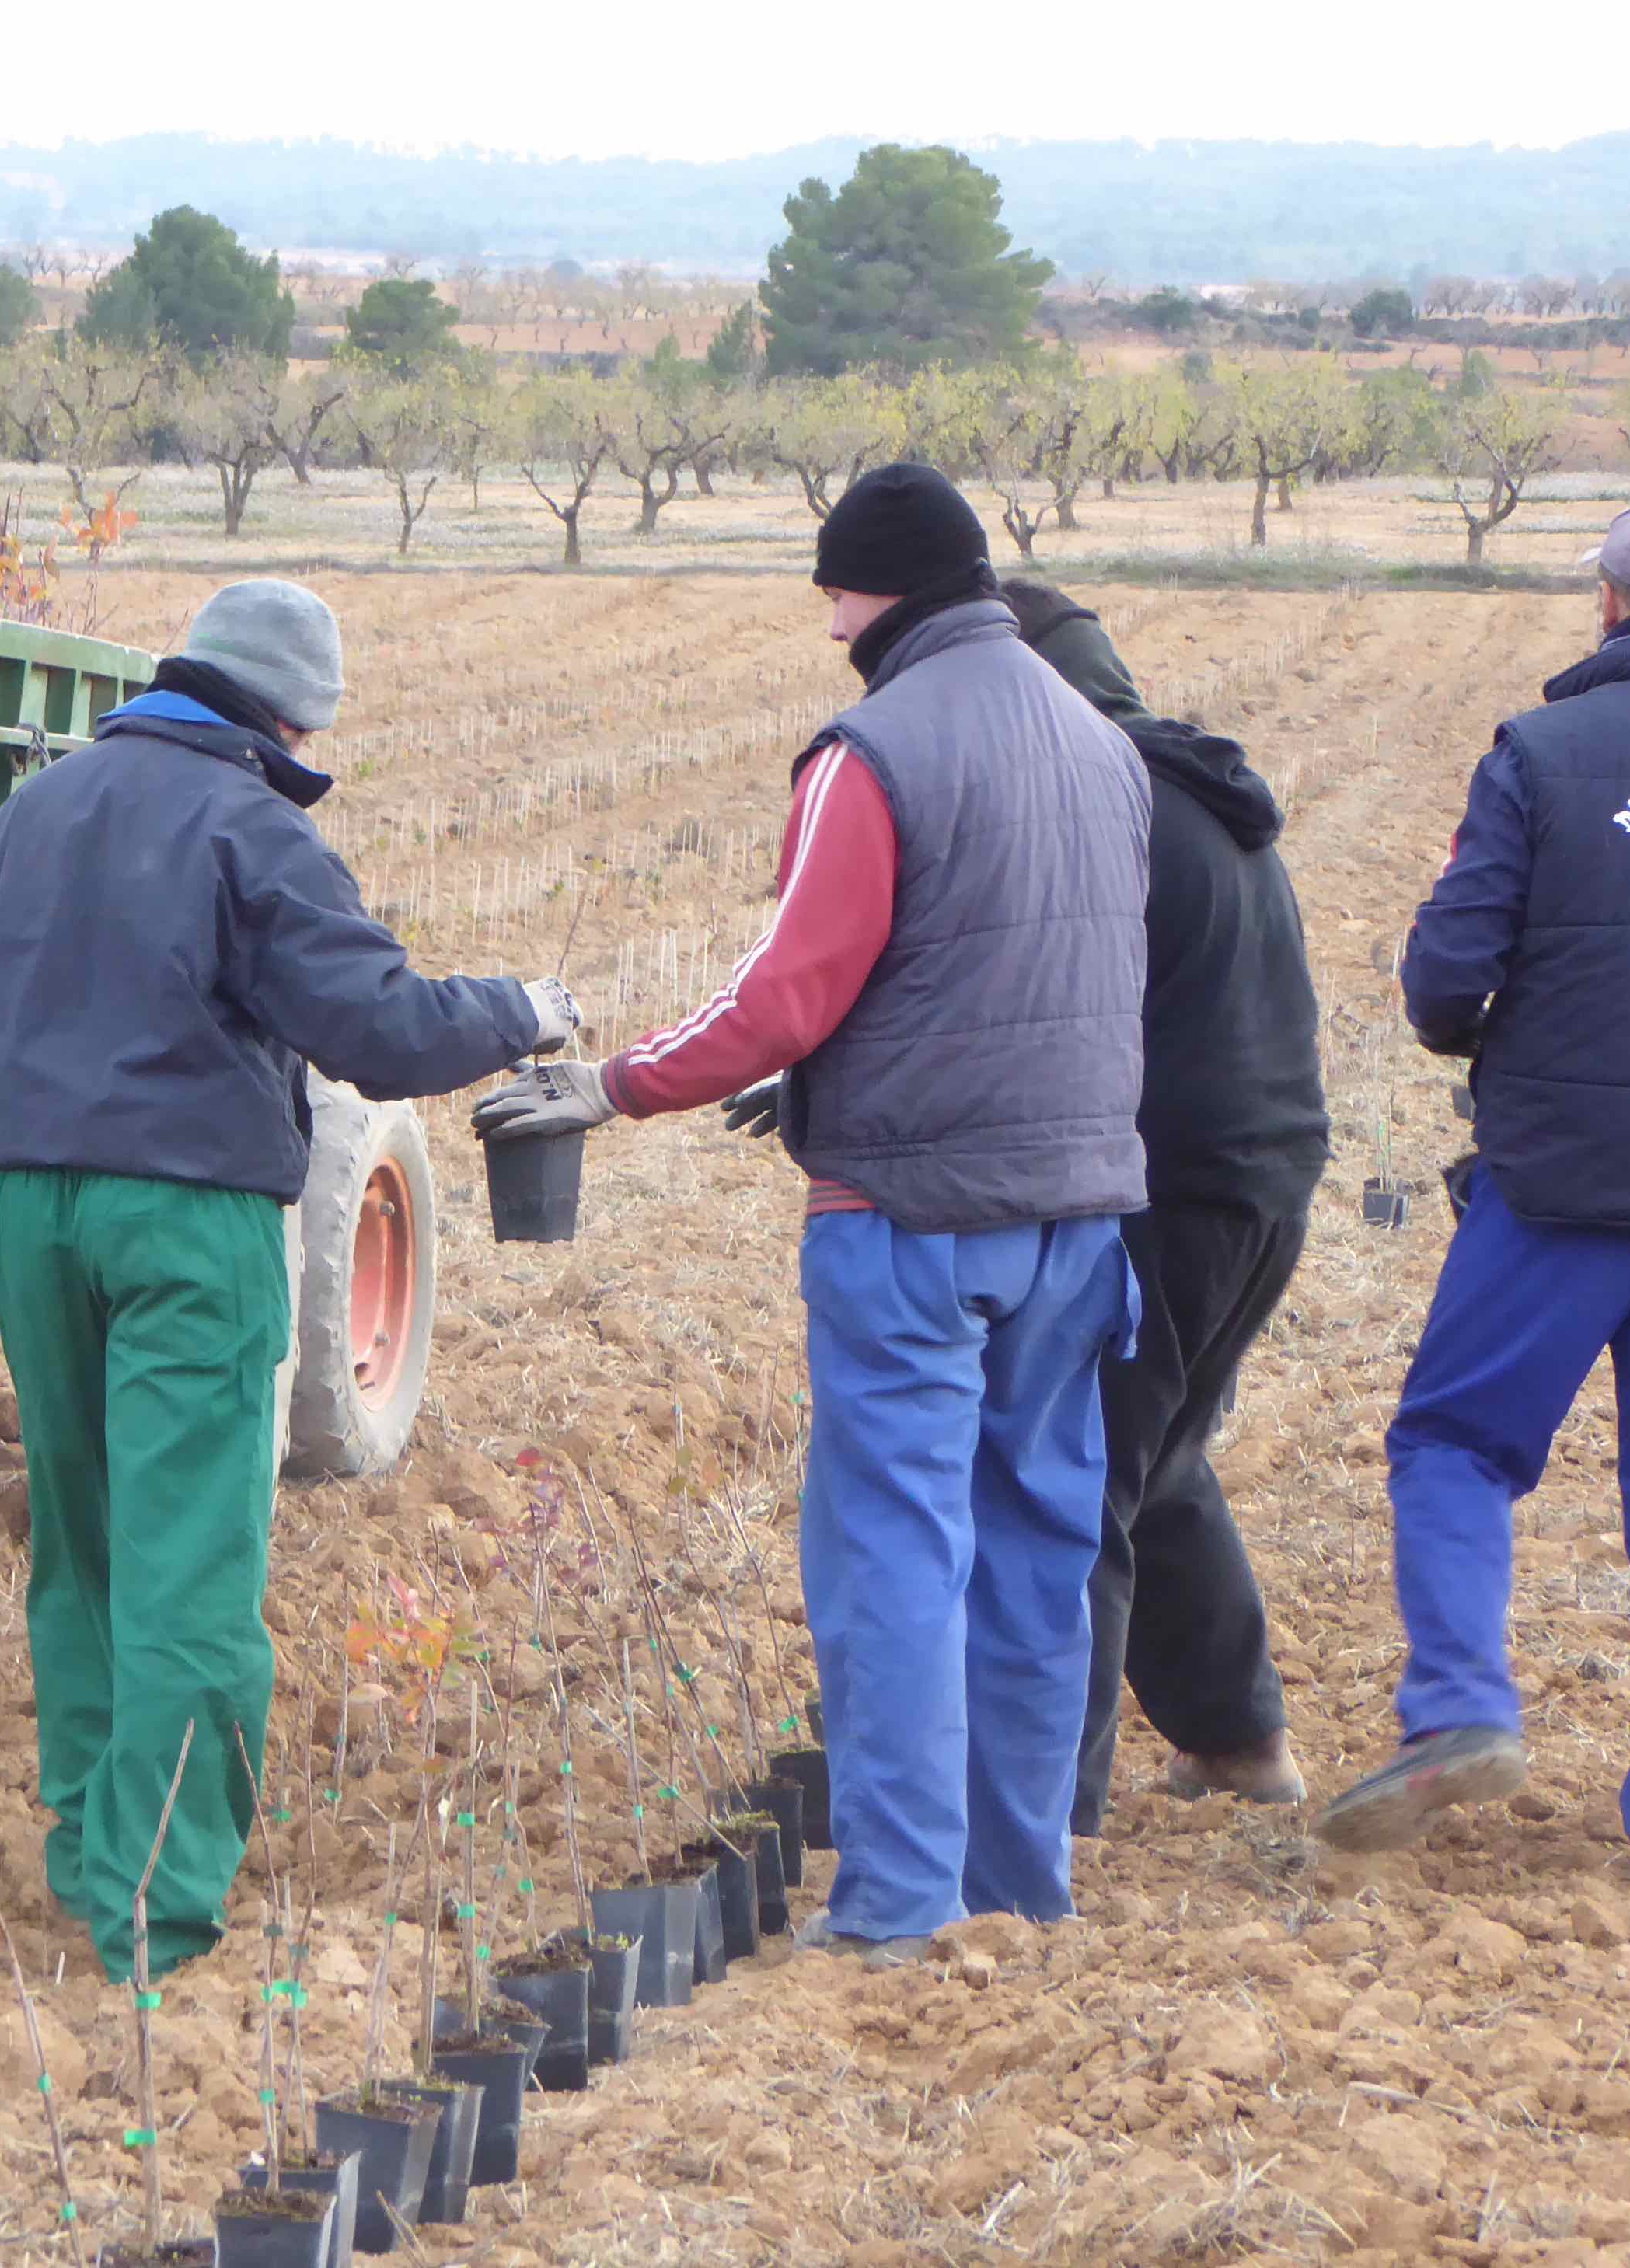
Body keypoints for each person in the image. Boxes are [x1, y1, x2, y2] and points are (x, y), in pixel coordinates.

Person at [475, 466, 1150, 1966]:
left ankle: (903, 1909)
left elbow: (789, 990)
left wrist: (617, 1085)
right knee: (1038, 1551)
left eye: (833, 588)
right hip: (1085, 1217)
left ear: (879, 591)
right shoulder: (1103, 749)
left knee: (895, 1552)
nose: (828, 615)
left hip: (911, 1215)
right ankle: (1020, 1890)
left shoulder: (873, 750)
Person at [0, 578, 577, 1982]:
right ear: (285, 717)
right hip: (192, 1224)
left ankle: (87, 1852)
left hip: (33, 1208)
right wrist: (521, 1012)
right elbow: (381, 1031)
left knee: (87, 1541)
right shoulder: (253, 830)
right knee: (192, 1565)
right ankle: (155, 1914)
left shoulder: (35, 810)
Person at [1315, 500, 1630, 1889]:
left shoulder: (1539, 754)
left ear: (1607, 609)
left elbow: (1443, 984)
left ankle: (1462, 1707)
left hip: (1563, 1187)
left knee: (1455, 1445)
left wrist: (1514, 1039)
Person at [997, 582, 1328, 1830]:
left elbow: (1029, 1008)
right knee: (1161, 1452)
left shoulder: (1101, 807)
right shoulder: (1199, 789)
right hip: (1267, 1177)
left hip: (1166, 1185)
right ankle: (1239, 1742)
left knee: (1079, 1473)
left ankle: (1044, 1809)